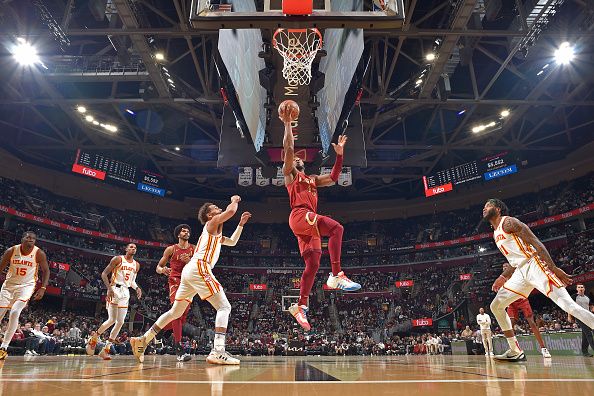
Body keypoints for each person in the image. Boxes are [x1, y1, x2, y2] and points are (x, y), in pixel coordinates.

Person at [130, 197, 251, 365]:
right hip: (200, 267)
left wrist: (241, 224)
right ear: (209, 215)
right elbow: (230, 211)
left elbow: (232, 242)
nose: (219, 208)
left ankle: (143, 339)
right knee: (224, 307)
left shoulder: (216, 232)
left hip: (190, 272)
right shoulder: (212, 223)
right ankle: (218, 351)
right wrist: (234, 200)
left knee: (175, 312)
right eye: (215, 207)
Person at [279, 104, 361, 331]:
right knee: (337, 229)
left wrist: (340, 156)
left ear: (303, 162)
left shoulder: (313, 179)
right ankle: (336, 274)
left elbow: (334, 177)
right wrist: (287, 124)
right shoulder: (290, 176)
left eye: (297, 158)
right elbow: (287, 148)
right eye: (292, 158)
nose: (294, 159)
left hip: (308, 222)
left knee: (313, 264)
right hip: (299, 215)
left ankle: (301, 306)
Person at [484, 198, 594, 361]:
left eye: (488, 206)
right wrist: (502, 276)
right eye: (484, 207)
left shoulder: (509, 222)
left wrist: (553, 267)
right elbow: (515, 260)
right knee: (496, 306)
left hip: (534, 265)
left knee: (569, 306)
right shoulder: (495, 233)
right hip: (521, 272)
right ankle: (515, 350)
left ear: (498, 209)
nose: (485, 209)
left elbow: (535, 241)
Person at [86, 243, 143, 360]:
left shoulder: (136, 265)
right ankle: (94, 338)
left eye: (135, 248)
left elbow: (132, 281)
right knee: (111, 320)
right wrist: (109, 288)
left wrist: (137, 288)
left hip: (125, 292)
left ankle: (105, 349)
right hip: (115, 288)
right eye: (131, 247)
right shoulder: (118, 259)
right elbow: (104, 274)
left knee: (120, 322)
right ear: (126, 249)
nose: (133, 249)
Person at [0, 231, 50, 360]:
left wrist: (43, 288)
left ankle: (4, 347)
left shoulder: (39, 253)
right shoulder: (11, 251)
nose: (31, 240)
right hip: (9, 285)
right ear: (22, 239)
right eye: (28, 237)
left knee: (15, 312)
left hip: (26, 286)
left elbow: (46, 271)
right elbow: (1, 267)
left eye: (33, 238)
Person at [156, 224, 195, 362]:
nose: (186, 232)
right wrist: (163, 270)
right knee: (177, 315)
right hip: (175, 281)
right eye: (184, 231)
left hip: (190, 283)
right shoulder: (171, 249)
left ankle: (159, 329)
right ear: (178, 234)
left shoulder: (194, 249)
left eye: (188, 230)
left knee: (182, 318)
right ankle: (179, 349)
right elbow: (158, 267)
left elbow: (201, 266)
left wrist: (190, 261)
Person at [503, 263, 552, 358]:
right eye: (503, 268)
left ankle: (543, 348)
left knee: (532, 323)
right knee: (510, 325)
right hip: (511, 302)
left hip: (522, 299)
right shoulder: (503, 280)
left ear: (511, 268)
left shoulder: (518, 275)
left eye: (506, 267)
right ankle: (514, 349)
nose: (504, 269)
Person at [568, 283, 594, 357]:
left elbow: (591, 305)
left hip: (588, 317)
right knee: (588, 333)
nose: (580, 288)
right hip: (580, 317)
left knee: (585, 335)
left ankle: (585, 352)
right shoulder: (574, 296)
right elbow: (569, 306)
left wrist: (592, 309)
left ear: (584, 289)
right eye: (579, 287)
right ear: (577, 289)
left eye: (582, 287)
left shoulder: (587, 297)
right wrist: (569, 316)